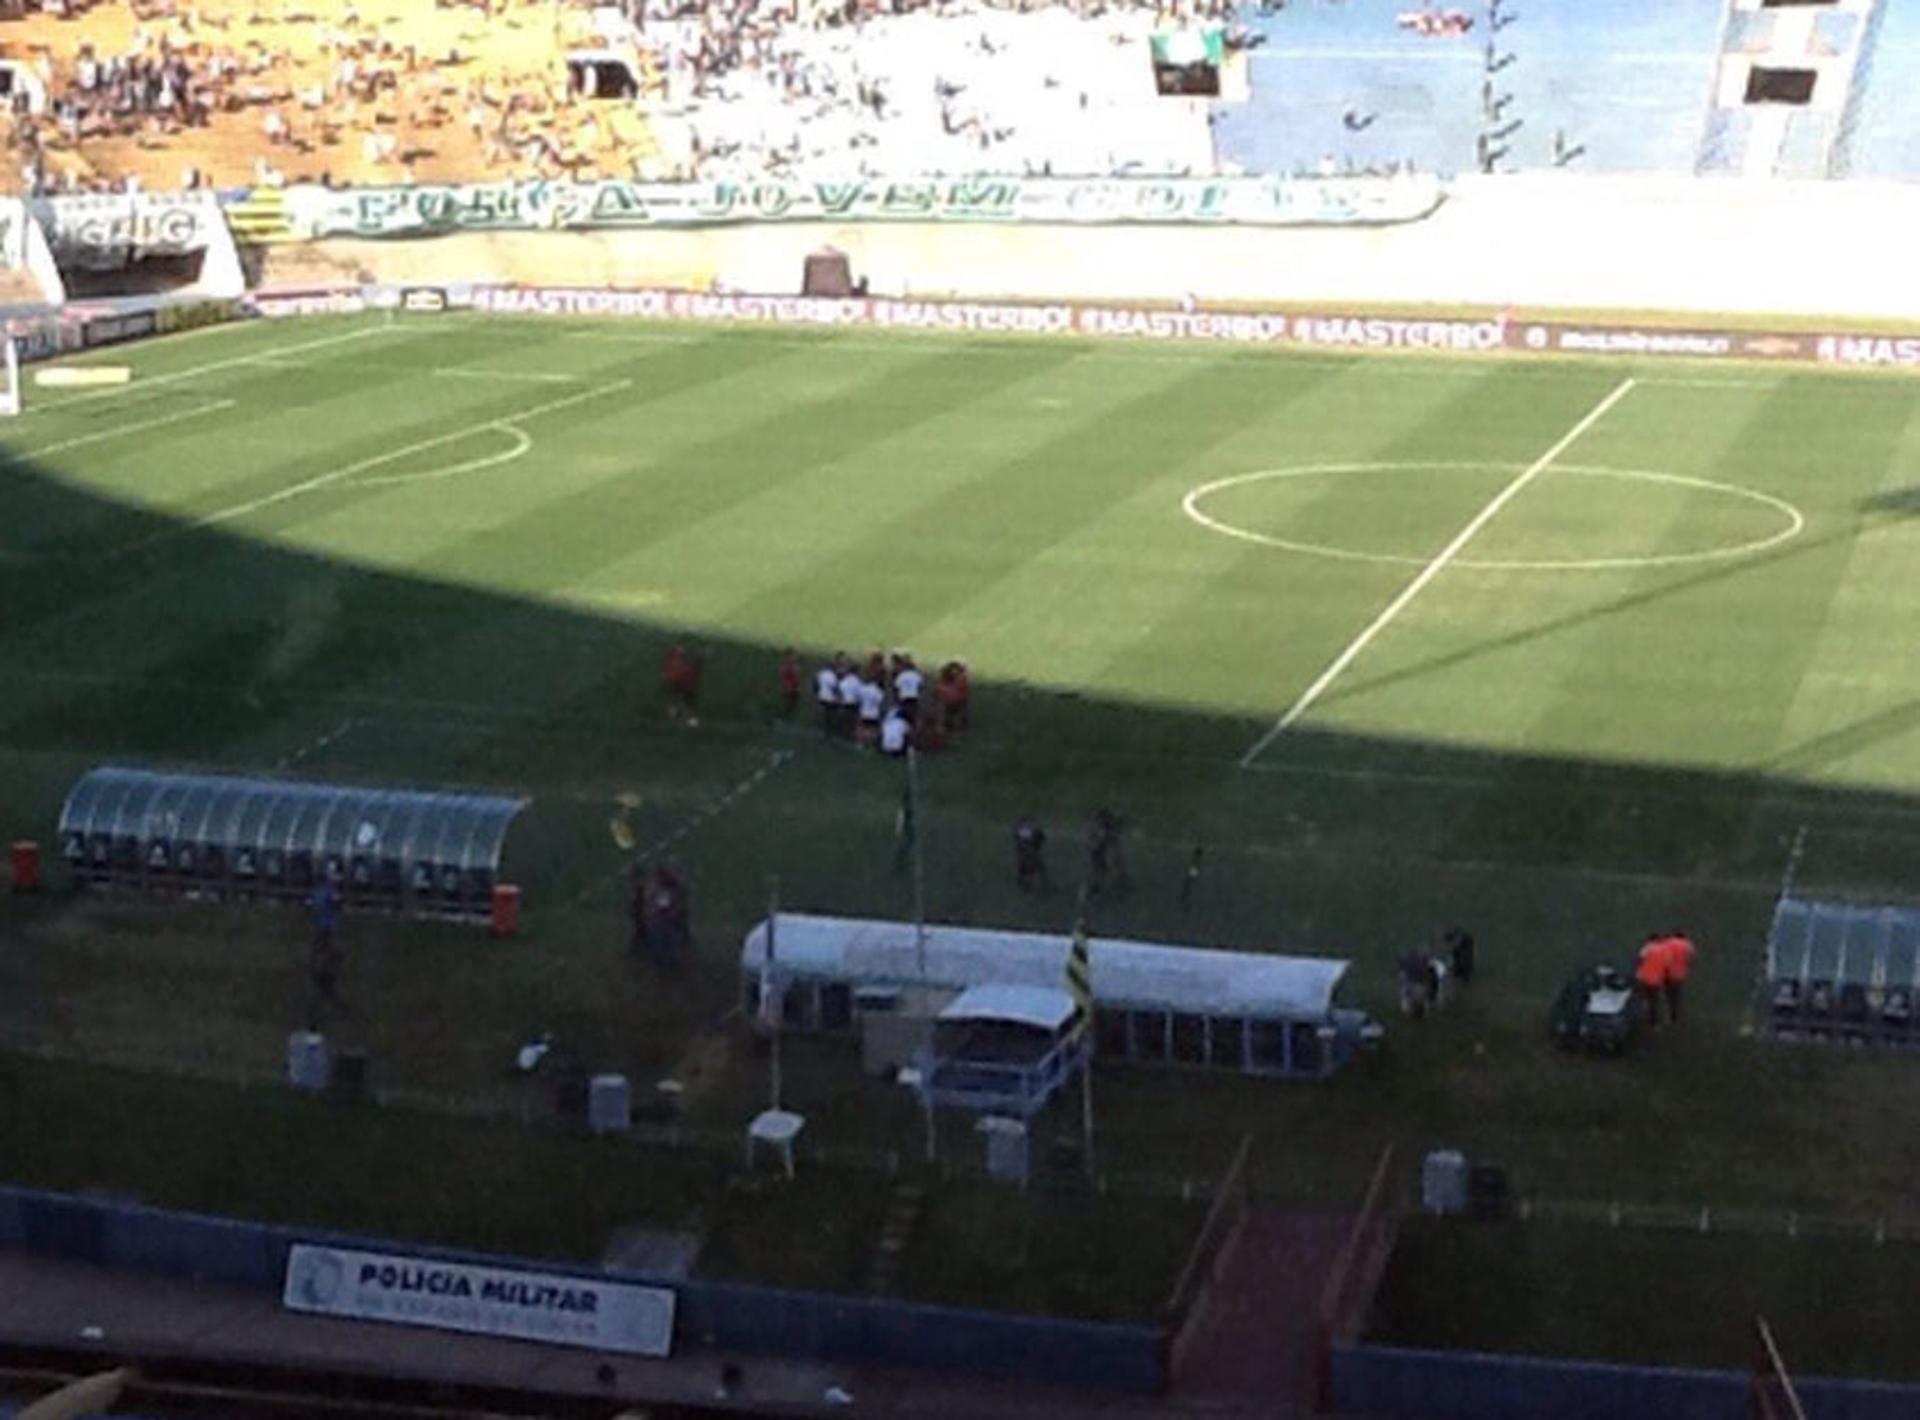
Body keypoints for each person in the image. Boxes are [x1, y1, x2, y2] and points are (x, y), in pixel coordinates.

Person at [1088, 808, 1127, 893]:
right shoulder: (1100, 829)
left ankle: (1119, 877)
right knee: (1100, 867)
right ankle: (1097, 883)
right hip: (1099, 850)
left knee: (1106, 865)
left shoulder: (1107, 828)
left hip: (1101, 849)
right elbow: (1097, 842)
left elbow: (1111, 839)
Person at [1659, 931, 1695, 1024]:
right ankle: (1674, 1013)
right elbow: (1691, 957)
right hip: (1680, 975)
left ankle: (1667, 1007)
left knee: (1667, 992)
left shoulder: (1666, 943)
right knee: (1676, 994)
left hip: (1668, 973)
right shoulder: (1687, 945)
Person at [1635, 934, 1666, 1027]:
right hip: (1655, 980)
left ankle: (1642, 1008)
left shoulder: (1646, 948)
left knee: (1643, 995)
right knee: (1654, 1001)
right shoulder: (1663, 950)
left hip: (1643, 978)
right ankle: (1653, 1022)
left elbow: (1639, 960)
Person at [1013, 815, 1047, 890]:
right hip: (1029, 852)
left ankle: (1027, 881)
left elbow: (1041, 838)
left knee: (1030, 866)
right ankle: (1026, 881)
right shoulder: (1026, 831)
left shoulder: (1025, 830)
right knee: (1027, 866)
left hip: (1029, 852)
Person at [835, 660, 864, 741]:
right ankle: (850, 736)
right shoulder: (858, 682)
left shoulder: (844, 681)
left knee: (844, 721)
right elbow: (860, 694)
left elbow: (839, 692)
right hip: (854, 704)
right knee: (852, 722)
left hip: (844, 703)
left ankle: (843, 735)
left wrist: (839, 701)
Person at [815, 654, 842, 737]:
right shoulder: (833, 676)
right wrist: (839, 696)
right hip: (829, 698)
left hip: (821, 696)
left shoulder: (821, 674)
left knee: (822, 714)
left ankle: (821, 730)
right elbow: (835, 688)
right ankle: (828, 731)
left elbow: (816, 684)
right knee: (829, 715)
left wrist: (817, 692)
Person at [778, 648, 801, 720]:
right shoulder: (786, 667)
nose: (795, 657)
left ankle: (789, 718)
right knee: (788, 704)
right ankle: (785, 718)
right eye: (793, 656)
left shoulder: (793, 666)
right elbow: (784, 677)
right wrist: (788, 687)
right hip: (789, 688)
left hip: (793, 688)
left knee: (793, 705)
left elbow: (796, 678)